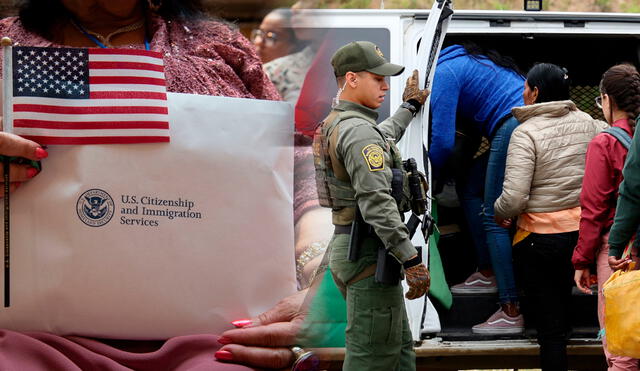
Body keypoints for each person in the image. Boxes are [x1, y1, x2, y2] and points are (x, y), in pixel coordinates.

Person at [0, 0, 329, 370]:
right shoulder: (6, 46)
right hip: (28, 332)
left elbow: (299, 172)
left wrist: (319, 267)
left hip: (213, 335)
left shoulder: (220, 45)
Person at [315, 41, 429, 371]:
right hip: (367, 252)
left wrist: (408, 107)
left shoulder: (344, 123)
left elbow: (381, 138)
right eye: (377, 78)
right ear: (352, 78)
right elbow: (377, 202)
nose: (385, 85)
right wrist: (410, 258)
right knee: (373, 357)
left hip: (358, 248)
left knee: (396, 352)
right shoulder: (357, 131)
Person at [494, 63, 606, 370]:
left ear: (536, 92)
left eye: (526, 87)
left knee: (552, 334)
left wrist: (499, 212)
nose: (523, 92)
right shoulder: (593, 124)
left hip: (540, 241)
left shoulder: (525, 133)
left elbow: (514, 197)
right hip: (586, 238)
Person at [430, 43, 526, 334]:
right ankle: (486, 270)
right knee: (472, 186)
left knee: (492, 213)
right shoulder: (467, 61)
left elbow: (443, 141)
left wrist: (431, 175)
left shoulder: (444, 73)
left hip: (512, 124)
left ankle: (509, 307)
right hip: (524, 120)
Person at [572, 64, 640, 370]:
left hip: (619, 252)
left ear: (607, 100)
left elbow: (594, 209)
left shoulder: (605, 142)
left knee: (621, 346)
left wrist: (582, 261)